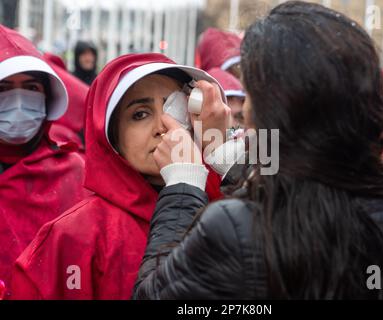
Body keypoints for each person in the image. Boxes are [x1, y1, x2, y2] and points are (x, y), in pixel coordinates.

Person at [132, 1, 383, 299]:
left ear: (275, 110)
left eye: (251, 92)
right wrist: (227, 159)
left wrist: (182, 188)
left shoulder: (236, 228)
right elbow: (301, 176)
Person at [10, 53, 224, 300]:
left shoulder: (221, 204)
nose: (162, 127)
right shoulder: (75, 234)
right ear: (112, 138)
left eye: (174, 107)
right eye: (140, 114)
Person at [0, 25, 89, 298]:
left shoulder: (77, 173)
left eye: (30, 87)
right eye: (4, 88)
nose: (17, 101)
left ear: (47, 98)